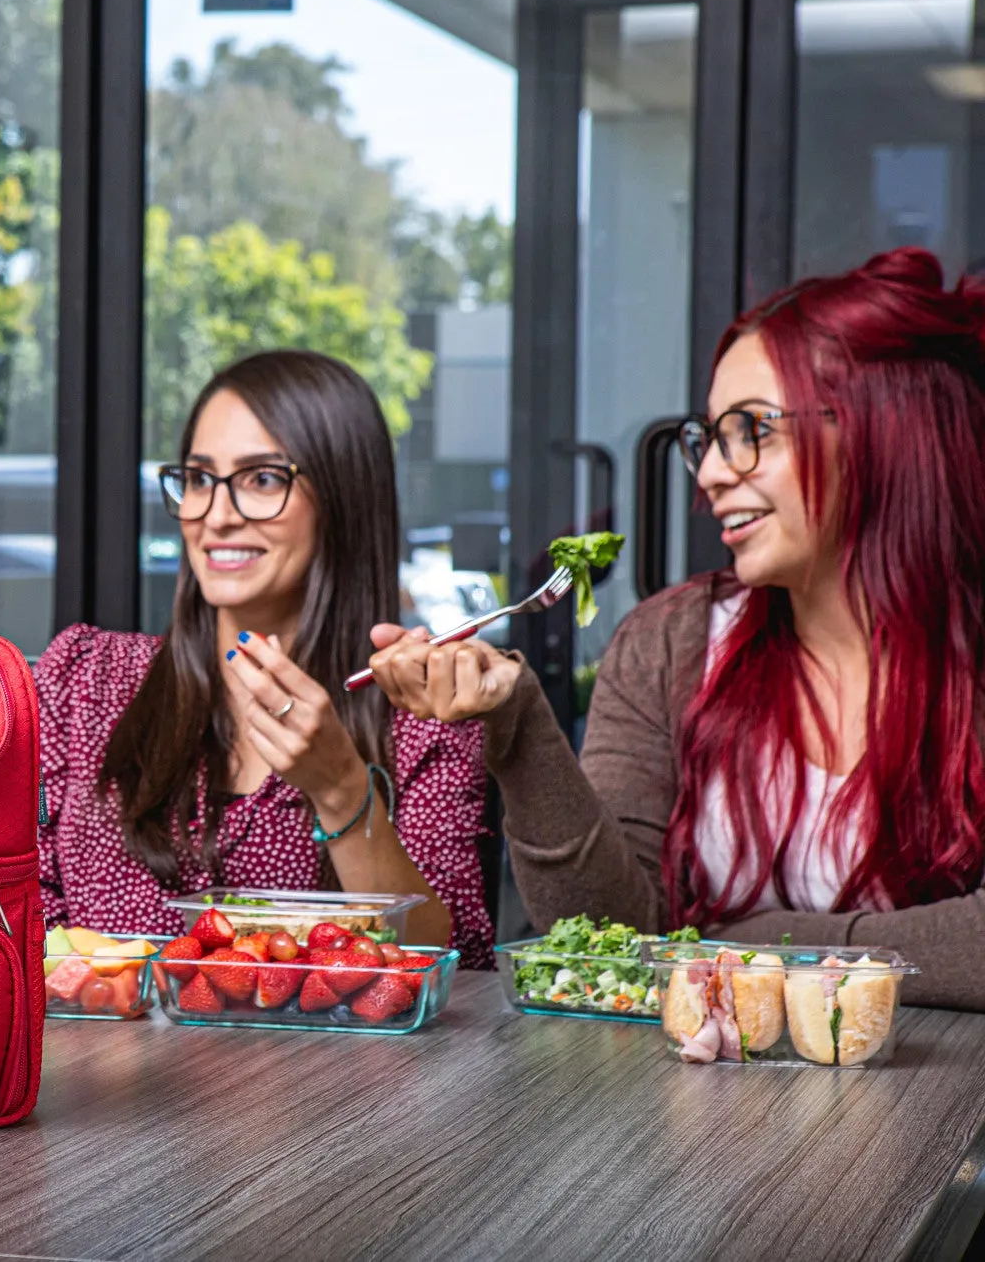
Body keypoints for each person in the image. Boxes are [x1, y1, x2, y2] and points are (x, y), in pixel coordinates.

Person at [365, 247, 985, 1007]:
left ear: (882, 431)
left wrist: (755, 946)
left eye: (752, 429)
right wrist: (517, 721)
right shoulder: (670, 642)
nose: (711, 474)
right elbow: (617, 942)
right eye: (710, 438)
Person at [37, 350, 493, 965]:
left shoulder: (421, 713)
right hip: (105, 1061)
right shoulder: (87, 681)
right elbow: (18, 929)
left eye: (262, 479)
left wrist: (340, 790)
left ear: (343, 500)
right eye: (199, 478)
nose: (217, 516)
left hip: (330, 1067)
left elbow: (451, 966)